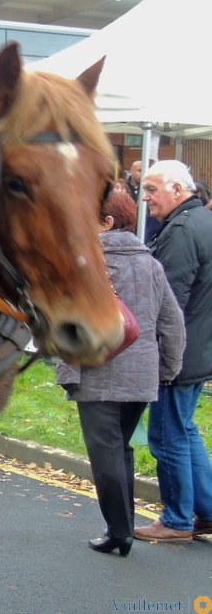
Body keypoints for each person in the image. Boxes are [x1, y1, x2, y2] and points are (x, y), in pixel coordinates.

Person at [56, 188, 184, 557]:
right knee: (120, 449)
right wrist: (167, 369)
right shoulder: (151, 264)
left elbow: (66, 322)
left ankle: (119, 531)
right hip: (142, 376)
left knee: (106, 454)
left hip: (96, 373)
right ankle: (122, 524)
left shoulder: (83, 261)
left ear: (108, 222)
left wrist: (67, 372)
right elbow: (172, 324)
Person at [134, 159, 212, 542]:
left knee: (166, 436)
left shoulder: (181, 229)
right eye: (143, 189)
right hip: (199, 346)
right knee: (184, 429)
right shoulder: (204, 221)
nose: (144, 198)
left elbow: (169, 304)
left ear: (178, 191)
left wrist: (157, 354)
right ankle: (208, 512)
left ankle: (177, 519)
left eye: (151, 190)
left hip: (177, 354)